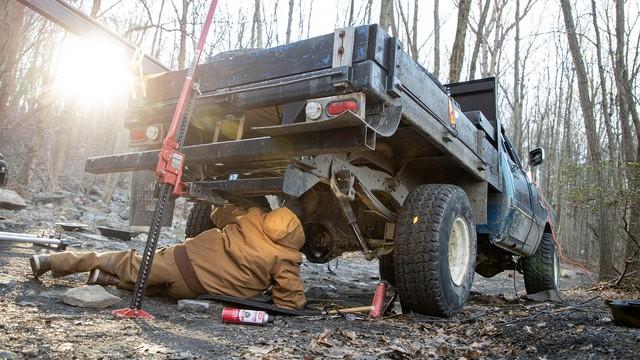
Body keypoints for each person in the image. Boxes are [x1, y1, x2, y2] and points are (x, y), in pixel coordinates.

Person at [29, 205, 307, 310]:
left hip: (178, 261)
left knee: (125, 260)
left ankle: (54, 262)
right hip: (197, 291)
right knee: (158, 290)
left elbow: (215, 212)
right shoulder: (286, 257)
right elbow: (289, 302)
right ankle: (104, 279)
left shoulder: (249, 218)